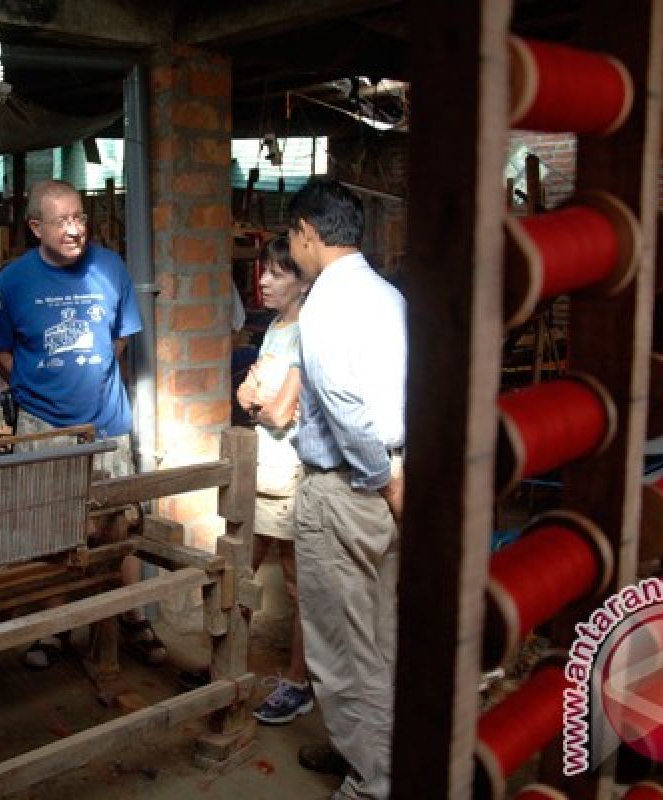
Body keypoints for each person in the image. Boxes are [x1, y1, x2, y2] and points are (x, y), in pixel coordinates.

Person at [0, 179, 165, 668]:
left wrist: (90, 379)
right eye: (61, 220)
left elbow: (120, 341)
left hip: (107, 422)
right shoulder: (11, 282)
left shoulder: (110, 267)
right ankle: (55, 627)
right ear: (36, 227)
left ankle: (131, 617)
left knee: (120, 524)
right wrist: (42, 393)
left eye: (79, 217)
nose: (74, 229)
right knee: (49, 529)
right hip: (43, 428)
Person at [286, 180, 406, 800]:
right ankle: (374, 758)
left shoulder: (325, 305)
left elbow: (343, 406)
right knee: (380, 641)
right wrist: (396, 476)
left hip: (351, 488)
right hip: (393, 476)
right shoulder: (388, 296)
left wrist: (384, 482)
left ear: (308, 231)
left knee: (341, 650)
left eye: (291, 237)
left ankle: (373, 784)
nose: (291, 249)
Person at [234, 235, 314, 725]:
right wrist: (259, 397)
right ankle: (233, 666)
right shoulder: (275, 328)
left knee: (295, 579)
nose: (262, 280)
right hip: (265, 463)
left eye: (276, 273)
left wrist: (261, 398)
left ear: (303, 281)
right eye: (263, 270)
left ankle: (298, 680)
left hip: (293, 468)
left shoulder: (308, 332)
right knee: (243, 561)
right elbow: (245, 395)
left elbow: (282, 412)